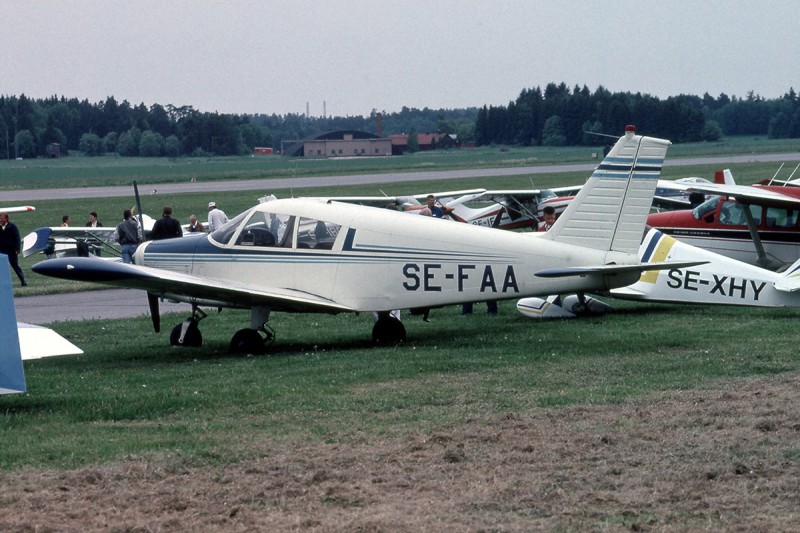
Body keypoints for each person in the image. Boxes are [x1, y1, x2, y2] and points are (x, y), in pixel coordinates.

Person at [0, 212, 27, 286]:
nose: (0, 220)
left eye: (1, 218)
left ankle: (23, 281)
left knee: (15, 266)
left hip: (11, 250)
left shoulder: (12, 227)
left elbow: (17, 238)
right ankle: (3, 283)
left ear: (6, 219)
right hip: (2, 250)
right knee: (2, 267)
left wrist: (17, 249)